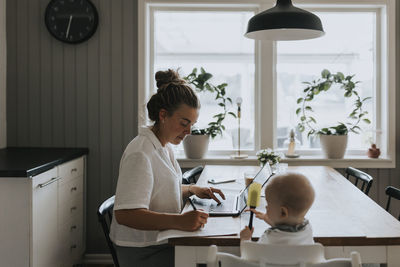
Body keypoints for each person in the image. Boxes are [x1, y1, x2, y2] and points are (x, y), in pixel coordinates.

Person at [110, 69, 225, 267]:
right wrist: (179, 222)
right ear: (163, 115)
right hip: (143, 251)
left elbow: (157, 190)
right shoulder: (140, 153)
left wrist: (191, 189)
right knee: (214, 260)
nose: (189, 131)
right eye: (184, 123)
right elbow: (125, 214)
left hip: (162, 240)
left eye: (192, 124)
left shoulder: (164, 146)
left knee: (214, 254)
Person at [240, 172, 315, 245]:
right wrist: (267, 218)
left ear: (283, 212)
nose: (266, 207)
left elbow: (250, 255)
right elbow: (287, 228)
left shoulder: (270, 238)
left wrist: (245, 239)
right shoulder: (307, 229)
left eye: (268, 204)